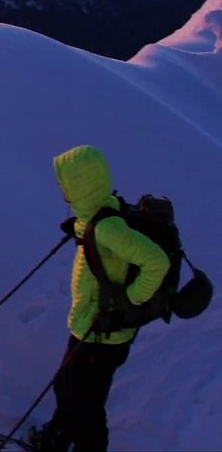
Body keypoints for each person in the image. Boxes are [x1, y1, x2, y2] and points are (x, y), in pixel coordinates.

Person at [29, 145, 170, 452]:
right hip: (89, 324)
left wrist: (129, 299)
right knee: (68, 387)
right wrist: (82, 228)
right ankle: (56, 438)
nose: (60, 189)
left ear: (81, 185)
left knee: (86, 402)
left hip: (105, 333)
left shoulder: (107, 227)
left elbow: (157, 262)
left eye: (64, 183)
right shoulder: (100, 211)